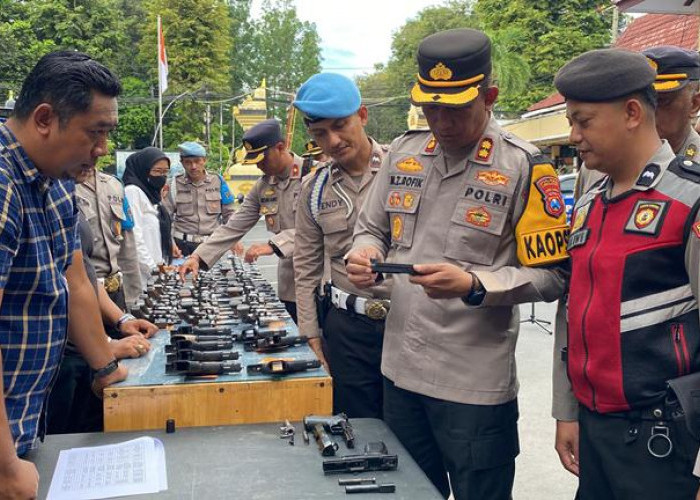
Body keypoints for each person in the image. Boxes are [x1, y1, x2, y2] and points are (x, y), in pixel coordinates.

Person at [345, 29, 569, 499]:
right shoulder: (404, 154)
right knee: (409, 492)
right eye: (431, 108)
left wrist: (475, 283)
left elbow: (554, 276)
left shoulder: (524, 166)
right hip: (401, 371)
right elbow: (371, 229)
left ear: (489, 96)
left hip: (473, 385)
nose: (441, 122)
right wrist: (364, 252)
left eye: (456, 108)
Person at [553, 48, 700, 499]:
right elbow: (572, 310)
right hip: (598, 434)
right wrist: (568, 410)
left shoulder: (688, 200)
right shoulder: (590, 203)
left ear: (632, 113)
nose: (573, 135)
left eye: (584, 121)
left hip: (665, 442)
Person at [0, 50, 128, 498]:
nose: (102, 148)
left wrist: (105, 368)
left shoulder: (54, 182)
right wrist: (5, 466)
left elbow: (75, 281)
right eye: (95, 132)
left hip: (25, 419)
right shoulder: (4, 185)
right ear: (44, 118)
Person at [293, 73, 390, 419]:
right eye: (320, 133)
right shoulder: (314, 189)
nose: (332, 141)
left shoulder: (405, 172)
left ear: (362, 116)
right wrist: (310, 336)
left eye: (341, 125)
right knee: (360, 432)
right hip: (347, 330)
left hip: (406, 326)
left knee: (413, 439)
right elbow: (304, 269)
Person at [179, 119, 305, 321]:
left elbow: (320, 229)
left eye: (263, 160)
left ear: (280, 147)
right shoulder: (264, 185)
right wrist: (197, 257)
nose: (259, 167)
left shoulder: (314, 175)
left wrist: (273, 245)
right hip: (290, 284)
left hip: (320, 282)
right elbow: (234, 226)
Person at [47, 210, 156, 435]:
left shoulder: (65, 197)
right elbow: (56, 291)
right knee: (57, 442)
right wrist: (105, 347)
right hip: (58, 360)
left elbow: (84, 279)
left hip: (87, 356)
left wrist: (122, 320)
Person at [76, 166, 142, 313]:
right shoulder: (62, 186)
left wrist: (133, 298)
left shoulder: (114, 185)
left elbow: (127, 247)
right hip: (83, 292)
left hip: (116, 292)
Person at [164, 141, 236, 256]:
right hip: (182, 246)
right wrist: (170, 244)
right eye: (188, 162)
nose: (193, 167)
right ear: (182, 163)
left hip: (212, 245)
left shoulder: (218, 181)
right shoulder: (173, 184)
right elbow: (166, 218)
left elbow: (230, 214)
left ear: (204, 160)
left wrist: (233, 240)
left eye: (197, 161)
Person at [123, 147, 172, 285]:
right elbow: (134, 236)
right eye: (157, 171)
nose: (161, 176)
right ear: (143, 170)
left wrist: (160, 265)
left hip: (155, 271)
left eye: (165, 172)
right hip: (142, 274)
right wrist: (152, 267)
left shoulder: (151, 196)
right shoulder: (133, 192)